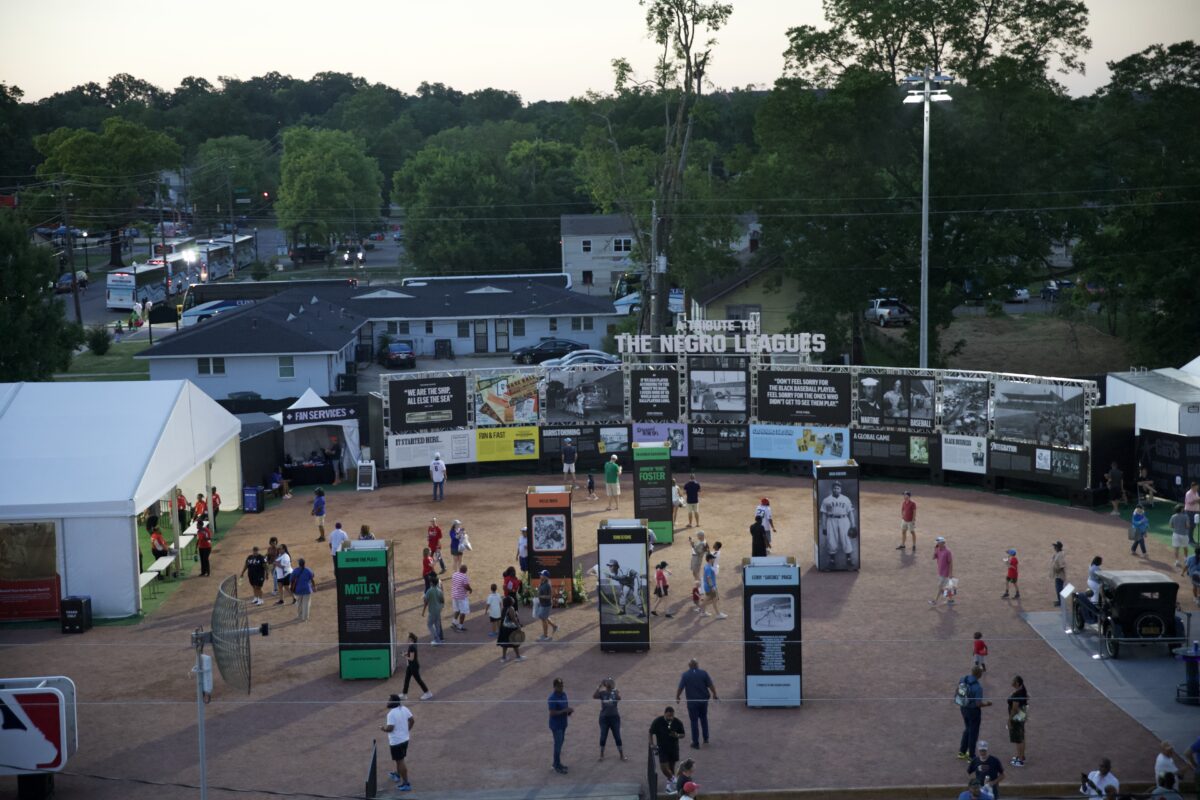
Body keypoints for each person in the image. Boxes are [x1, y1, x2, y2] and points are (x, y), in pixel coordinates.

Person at [676, 659, 718, 749]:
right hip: (703, 701)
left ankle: (695, 742)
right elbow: (710, 685)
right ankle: (706, 738)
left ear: (689, 665)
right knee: (704, 719)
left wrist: (677, 696)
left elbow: (680, 687)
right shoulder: (704, 673)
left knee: (694, 722)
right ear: (697, 665)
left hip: (692, 703)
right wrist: (714, 694)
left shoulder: (685, 675)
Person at [380, 694, 415, 791]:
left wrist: (384, 729)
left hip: (396, 742)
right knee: (399, 759)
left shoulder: (391, 714)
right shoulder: (404, 708)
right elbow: (412, 721)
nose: (388, 702)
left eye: (389, 700)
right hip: (405, 739)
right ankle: (397, 774)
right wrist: (407, 731)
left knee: (400, 761)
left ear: (393, 702)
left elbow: (390, 728)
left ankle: (406, 784)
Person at [955, 665, 990, 760]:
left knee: (967, 729)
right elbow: (978, 704)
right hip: (973, 712)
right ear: (979, 674)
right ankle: (971, 756)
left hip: (963, 708)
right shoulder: (978, 687)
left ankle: (962, 752)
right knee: (973, 733)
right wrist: (987, 704)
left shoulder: (963, 679)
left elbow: (958, 691)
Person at [819, 483, 856, 568]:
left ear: (840, 489)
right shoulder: (827, 500)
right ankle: (832, 561)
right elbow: (824, 514)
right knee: (831, 539)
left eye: (838, 488)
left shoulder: (846, 499)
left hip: (844, 519)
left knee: (846, 539)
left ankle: (849, 560)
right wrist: (824, 527)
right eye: (835, 488)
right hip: (831, 520)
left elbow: (850, 513)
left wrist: (853, 525)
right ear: (832, 489)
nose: (836, 490)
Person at [649, 706, 686, 791]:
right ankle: (675, 780)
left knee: (671, 767)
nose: (670, 718)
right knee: (664, 768)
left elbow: (683, 734)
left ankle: (669, 786)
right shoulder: (658, 721)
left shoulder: (677, 722)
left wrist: (677, 735)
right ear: (664, 714)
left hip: (673, 748)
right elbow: (650, 732)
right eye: (668, 716)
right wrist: (652, 744)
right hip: (662, 748)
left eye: (672, 716)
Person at [593, 678, 625, 761]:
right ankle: (601, 755)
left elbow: (619, 698)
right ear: (605, 685)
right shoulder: (602, 693)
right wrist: (598, 687)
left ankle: (621, 755)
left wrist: (615, 691)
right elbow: (594, 696)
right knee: (603, 736)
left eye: (611, 683)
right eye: (608, 683)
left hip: (614, 718)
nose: (609, 685)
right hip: (604, 718)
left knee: (617, 736)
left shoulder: (615, 692)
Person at [548, 678, 573, 774]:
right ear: (554, 687)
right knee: (558, 745)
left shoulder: (564, 694)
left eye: (562, 686)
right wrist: (564, 711)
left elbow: (565, 707)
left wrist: (569, 712)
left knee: (561, 742)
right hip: (556, 725)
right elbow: (552, 713)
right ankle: (556, 765)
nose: (561, 688)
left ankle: (557, 763)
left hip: (563, 724)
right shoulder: (552, 698)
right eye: (559, 686)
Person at [400, 632, 433, 701]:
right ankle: (404, 694)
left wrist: (404, 656)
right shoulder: (413, 645)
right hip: (410, 666)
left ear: (411, 639)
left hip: (413, 667)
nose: (407, 638)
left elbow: (411, 658)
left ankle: (428, 693)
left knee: (418, 680)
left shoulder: (412, 646)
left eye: (408, 637)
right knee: (407, 680)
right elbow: (411, 653)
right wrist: (406, 653)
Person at [497, 594, 525, 662]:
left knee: (505, 643)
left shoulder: (504, 608)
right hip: (511, 628)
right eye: (512, 599)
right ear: (510, 602)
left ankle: (503, 657)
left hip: (504, 628)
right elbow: (513, 619)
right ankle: (518, 657)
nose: (513, 599)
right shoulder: (511, 608)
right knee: (515, 642)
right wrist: (518, 626)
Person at [1007, 675, 1027, 767]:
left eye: (1013, 681)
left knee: (1018, 739)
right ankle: (1021, 756)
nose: (1011, 682)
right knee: (1021, 737)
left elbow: (1014, 709)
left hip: (1016, 718)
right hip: (1022, 716)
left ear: (1017, 683)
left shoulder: (1017, 694)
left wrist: (1009, 720)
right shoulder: (1023, 690)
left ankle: (1020, 760)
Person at [535, 570, 560, 640]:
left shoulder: (547, 585)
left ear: (545, 577)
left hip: (546, 605)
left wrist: (540, 596)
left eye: (541, 575)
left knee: (543, 619)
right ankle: (555, 626)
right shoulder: (542, 583)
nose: (540, 576)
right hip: (543, 604)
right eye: (540, 574)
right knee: (543, 617)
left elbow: (549, 597)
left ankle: (545, 636)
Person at [932, 536, 955, 606]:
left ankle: (935, 601)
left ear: (942, 543)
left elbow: (950, 562)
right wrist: (935, 550)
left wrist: (950, 573)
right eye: (937, 543)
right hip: (940, 572)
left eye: (938, 543)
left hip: (945, 573)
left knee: (940, 586)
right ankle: (950, 600)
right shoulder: (938, 550)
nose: (937, 544)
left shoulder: (948, 552)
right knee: (946, 588)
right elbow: (933, 558)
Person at [701, 552, 725, 619]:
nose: (714, 559)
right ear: (709, 559)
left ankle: (703, 611)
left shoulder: (706, 566)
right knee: (715, 599)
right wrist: (712, 587)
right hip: (710, 586)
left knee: (708, 598)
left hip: (707, 586)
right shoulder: (708, 568)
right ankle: (718, 614)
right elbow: (708, 578)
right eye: (713, 558)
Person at [422, 575, 445, 645]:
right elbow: (442, 601)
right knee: (437, 625)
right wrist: (440, 608)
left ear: (432, 583)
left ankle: (436, 639)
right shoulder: (439, 591)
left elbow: (425, 600)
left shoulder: (429, 591)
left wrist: (423, 597)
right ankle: (438, 640)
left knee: (429, 624)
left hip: (432, 611)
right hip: (438, 610)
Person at [449, 564, 472, 631]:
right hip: (462, 597)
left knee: (457, 610)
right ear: (465, 571)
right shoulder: (464, 577)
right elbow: (466, 586)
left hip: (454, 595)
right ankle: (460, 627)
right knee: (463, 611)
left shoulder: (454, 574)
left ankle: (454, 622)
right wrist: (470, 589)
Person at [1050, 541, 1067, 606]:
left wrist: (1057, 570)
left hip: (1060, 576)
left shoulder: (1060, 555)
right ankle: (1060, 601)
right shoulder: (1058, 554)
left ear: (1058, 547)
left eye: (1055, 546)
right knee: (1058, 588)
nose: (1054, 547)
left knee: (1059, 588)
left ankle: (1061, 602)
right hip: (1058, 575)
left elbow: (1062, 566)